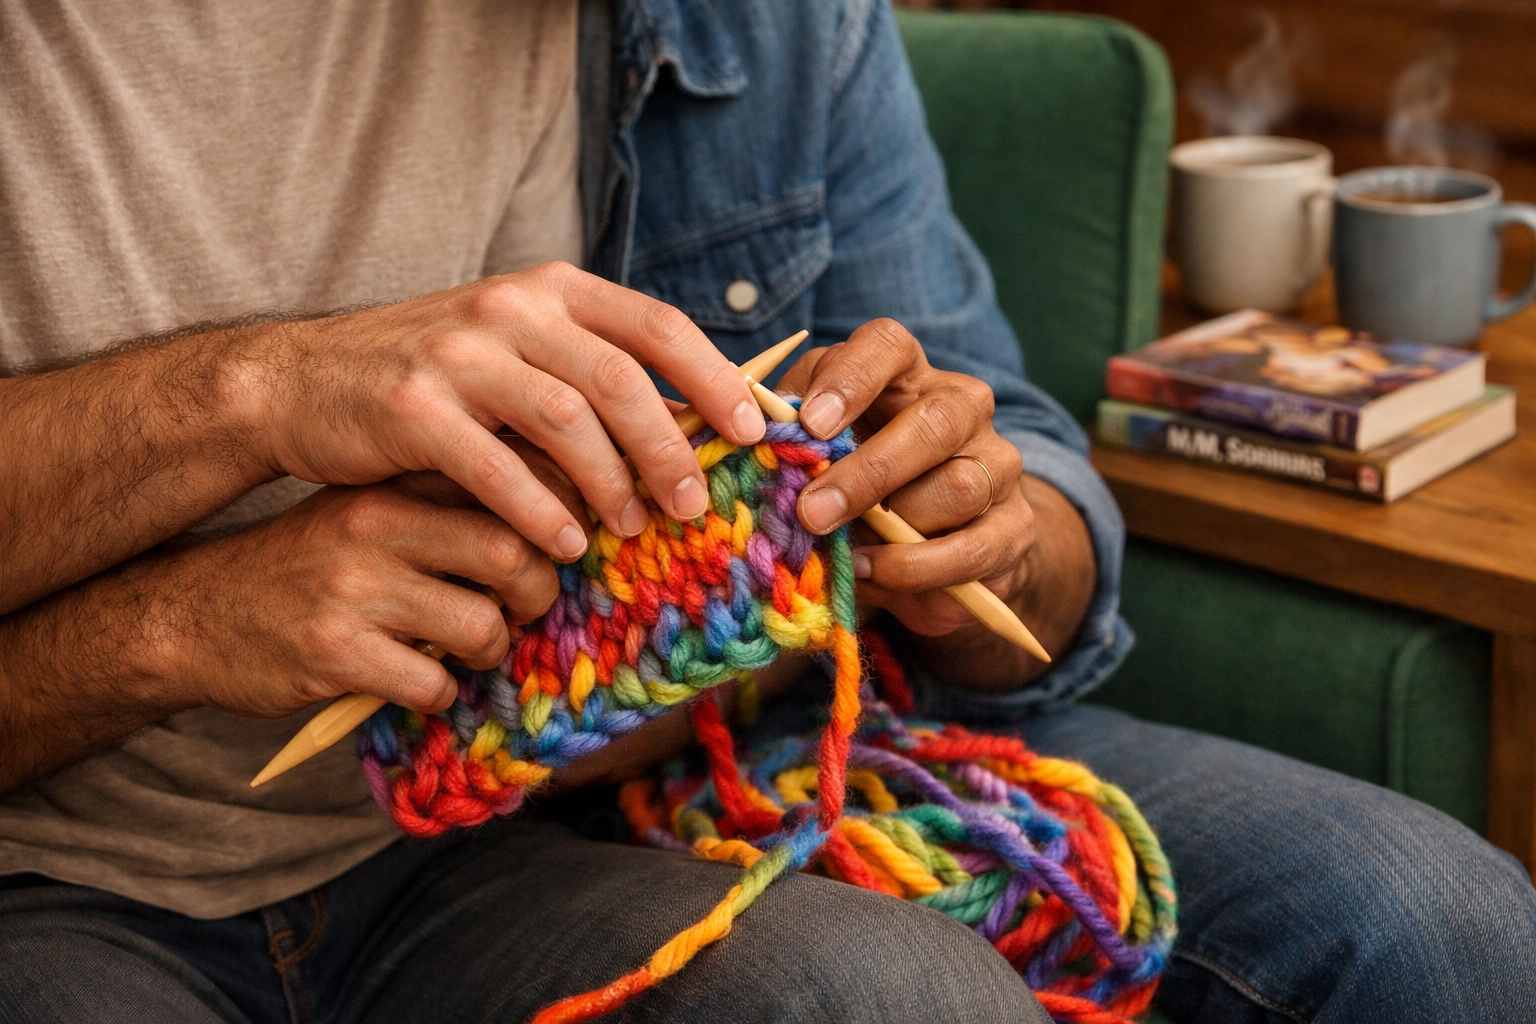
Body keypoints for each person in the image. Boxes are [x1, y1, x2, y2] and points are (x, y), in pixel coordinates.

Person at [0, 1, 1530, 1022]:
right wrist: (228, 441)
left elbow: (1036, 505)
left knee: (1438, 914)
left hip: (570, 815)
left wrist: (984, 535)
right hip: (61, 876)